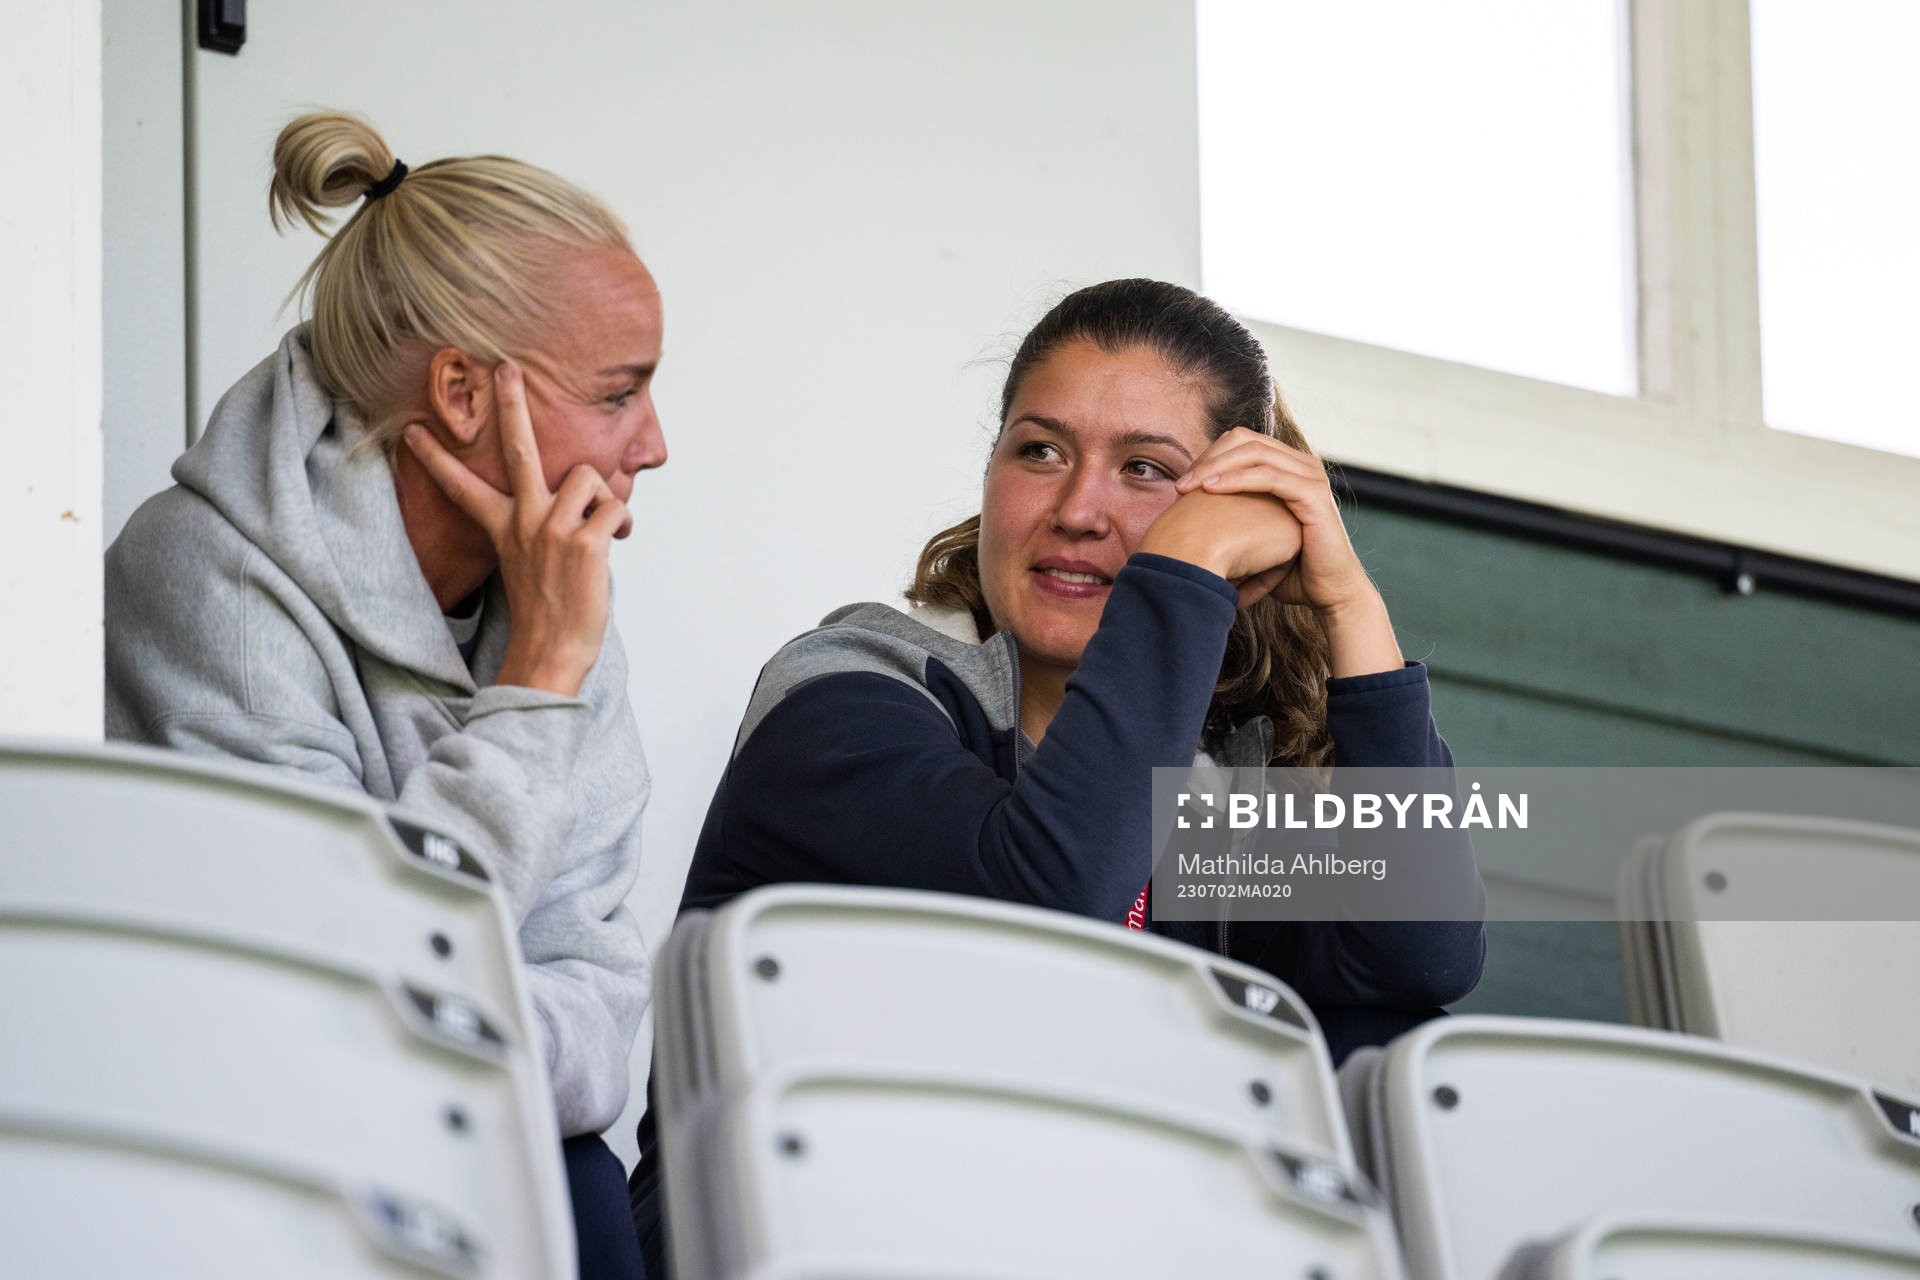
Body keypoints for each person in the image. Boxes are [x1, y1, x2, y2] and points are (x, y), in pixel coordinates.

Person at [629, 278, 1485, 1274]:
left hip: (1068, 1233)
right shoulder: (849, 689)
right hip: (804, 1233)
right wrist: (1187, 560)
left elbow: (1422, 955)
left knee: (1374, 1047)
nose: (1079, 508)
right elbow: (1049, 902)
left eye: (1144, 470)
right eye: (1040, 450)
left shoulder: (1200, 806)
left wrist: (1350, 604)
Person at [106, 112, 662, 1278]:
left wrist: (1158, 659)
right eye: (620, 393)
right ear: (463, 392)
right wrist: (539, 689)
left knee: (572, 1185)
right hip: (256, 1175)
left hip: (497, 1154)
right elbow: (338, 1003)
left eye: (1155, 476)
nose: (654, 444)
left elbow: (603, 1018)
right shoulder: (869, 702)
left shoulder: (553, 602)